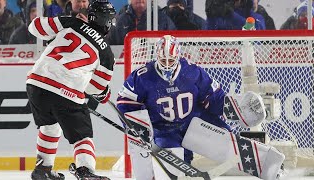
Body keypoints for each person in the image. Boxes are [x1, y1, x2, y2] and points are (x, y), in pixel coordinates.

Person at [116, 35, 285, 179]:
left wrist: (232, 109)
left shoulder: (192, 71)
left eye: (171, 59)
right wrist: (137, 126)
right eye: (163, 59)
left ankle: (272, 165)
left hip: (194, 122)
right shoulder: (142, 76)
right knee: (168, 171)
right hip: (164, 131)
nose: (167, 64)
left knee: (229, 143)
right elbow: (125, 101)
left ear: (178, 56)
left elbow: (212, 97)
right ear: (156, 57)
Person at [26, 0, 116, 179]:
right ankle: (86, 169)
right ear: (107, 22)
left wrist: (65, 20)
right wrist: (104, 94)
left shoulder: (71, 22)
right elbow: (94, 88)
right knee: (82, 136)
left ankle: (43, 169)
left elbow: (34, 27)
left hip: (36, 83)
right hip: (65, 89)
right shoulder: (106, 53)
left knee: (49, 126)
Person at [108, 0, 176, 45]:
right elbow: (110, 45)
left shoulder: (163, 19)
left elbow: (174, 43)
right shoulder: (120, 21)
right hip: (124, 64)